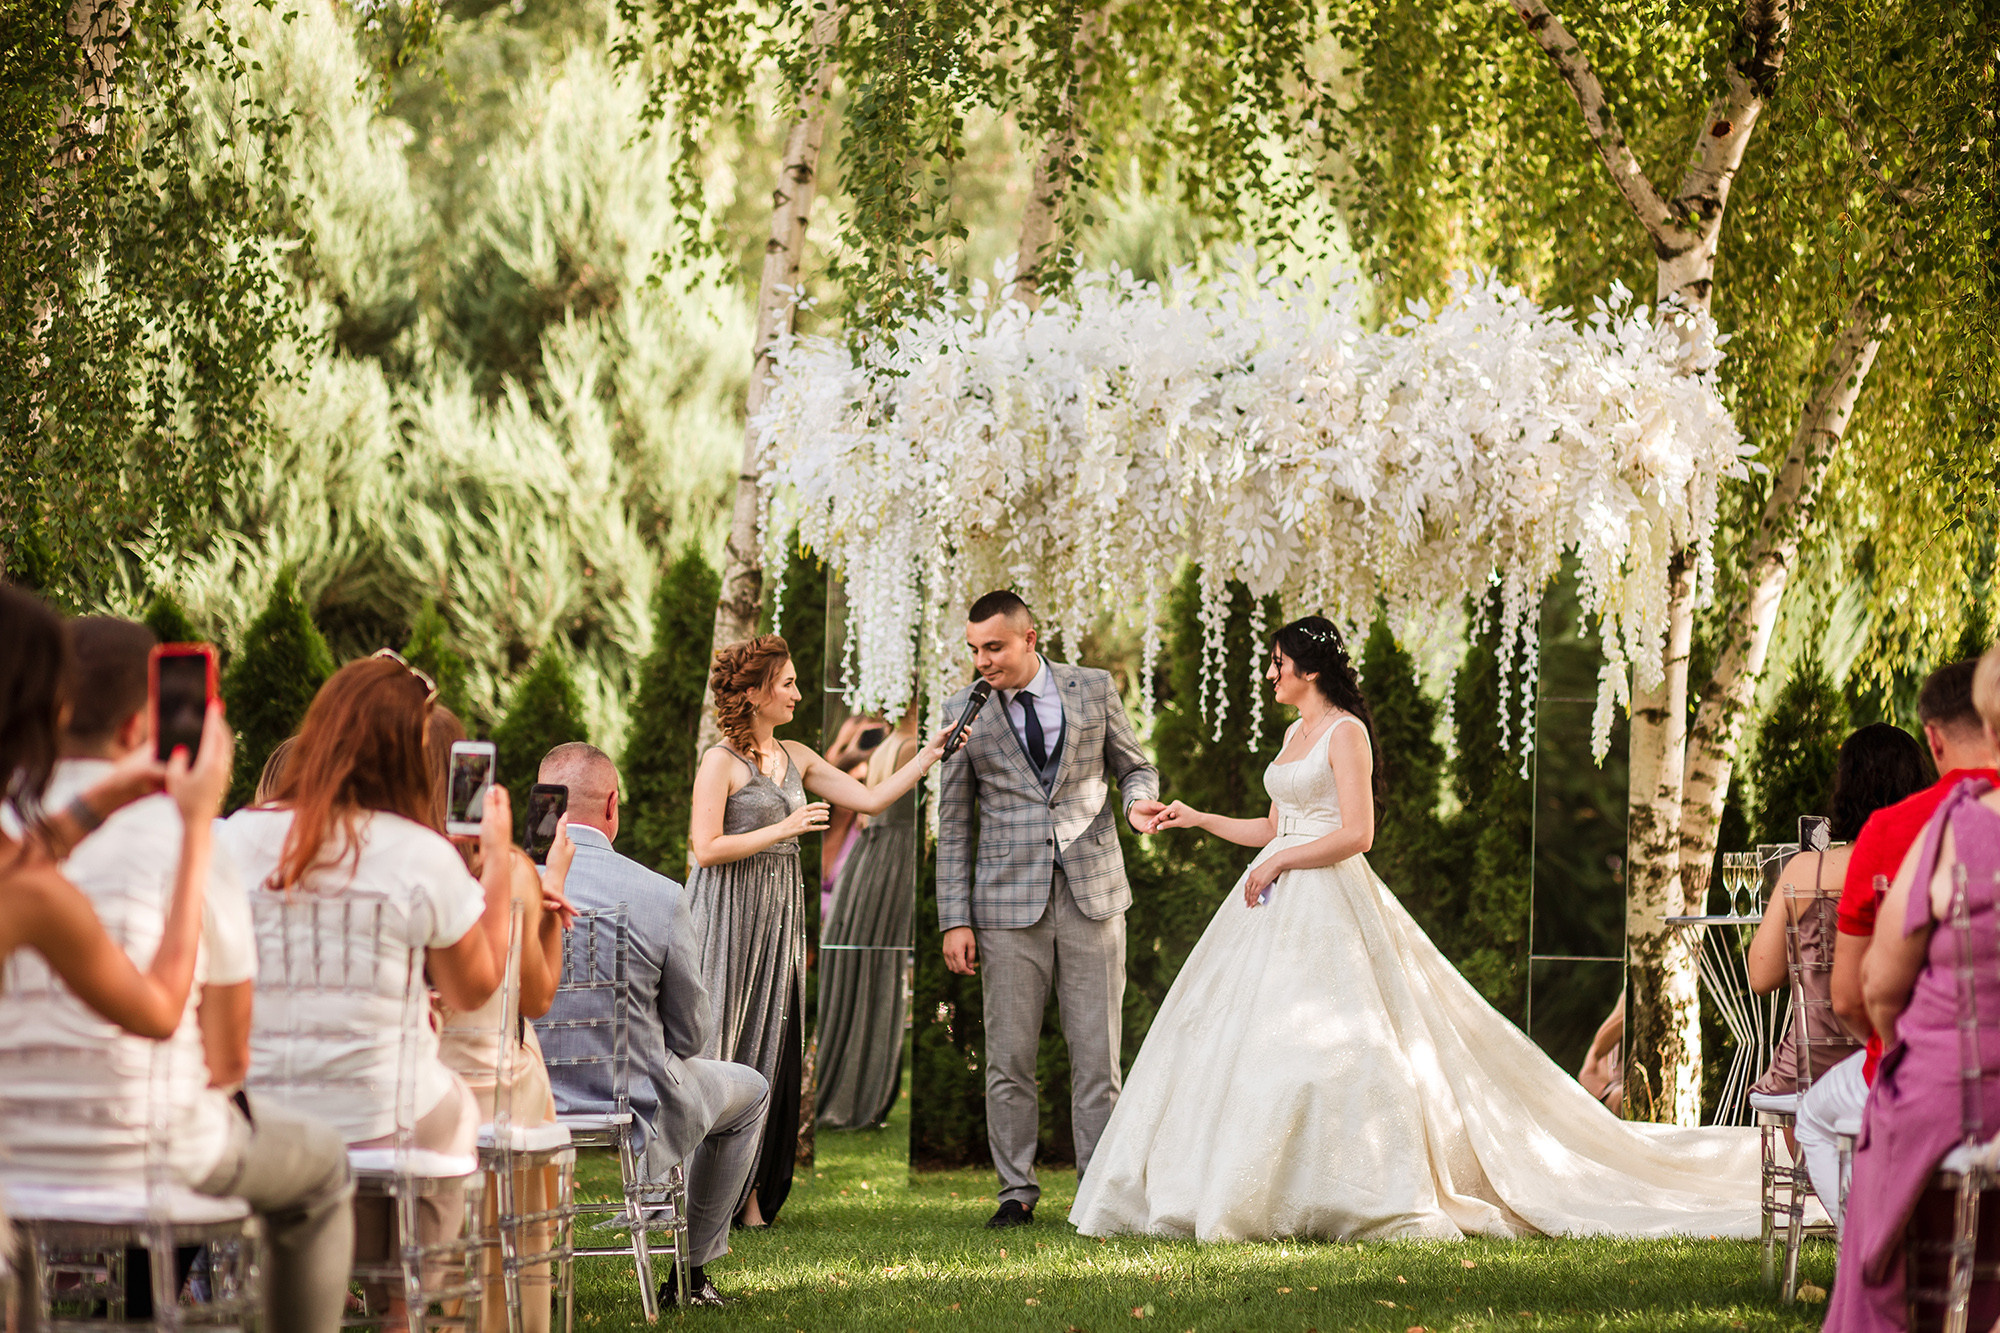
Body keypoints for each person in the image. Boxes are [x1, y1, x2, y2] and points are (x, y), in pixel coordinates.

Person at [1070, 615, 1762, 1242]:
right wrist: (1201, 818)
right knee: (1241, 1041)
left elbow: (1357, 832)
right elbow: (1274, 825)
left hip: (1327, 901)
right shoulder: (1293, 734)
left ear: (1309, 669)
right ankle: (1244, 1184)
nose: (1272, 674)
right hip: (1273, 899)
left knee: (1345, 1047)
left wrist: (1279, 861)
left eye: (1280, 662)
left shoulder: (1347, 732)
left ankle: (1353, 1186)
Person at [0, 617, 355, 1333]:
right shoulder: (182, 837)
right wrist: (192, 820)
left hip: (10, 1159)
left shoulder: (19, 838)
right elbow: (225, 1059)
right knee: (320, 1171)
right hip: (147, 1157)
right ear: (143, 723)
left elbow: (31, 859)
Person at [222, 654, 517, 1317]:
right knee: (452, 1115)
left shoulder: (236, 837)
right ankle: (403, 1302)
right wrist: (496, 859)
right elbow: (473, 987)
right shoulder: (421, 854)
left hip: (265, 1114)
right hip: (390, 1120)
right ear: (406, 752)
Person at [0, 585, 232, 1310]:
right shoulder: (39, 897)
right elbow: (162, 1009)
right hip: (128, 1159)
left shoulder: (25, 872)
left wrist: (99, 802)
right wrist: (195, 826)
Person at [686, 635, 945, 1227]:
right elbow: (704, 849)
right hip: (727, 915)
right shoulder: (719, 761)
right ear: (753, 695)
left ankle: (750, 1197)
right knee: (723, 1041)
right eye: (788, 684)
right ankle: (701, 1195)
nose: (799, 694)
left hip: (779, 918)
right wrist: (785, 829)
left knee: (771, 1045)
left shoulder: (798, 756)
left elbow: (873, 799)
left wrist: (928, 755)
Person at [936, 591, 1164, 1229]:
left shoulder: (1093, 688)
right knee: (1009, 1058)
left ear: (1029, 638)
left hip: (1094, 895)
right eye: (975, 650)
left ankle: (1099, 1190)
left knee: (1098, 1056)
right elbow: (953, 825)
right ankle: (1016, 1192)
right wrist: (954, 918)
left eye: (995, 647)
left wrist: (1138, 802)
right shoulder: (961, 712)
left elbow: (1134, 766)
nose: (983, 661)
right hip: (1006, 910)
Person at [533, 742, 771, 1309]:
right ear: (612, 806)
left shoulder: (499, 887)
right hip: (635, 1100)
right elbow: (692, 1037)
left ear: (540, 805)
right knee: (753, 1090)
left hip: (524, 1099)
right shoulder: (661, 895)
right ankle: (691, 1273)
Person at [1826, 644, 2000, 1332]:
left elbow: (1865, 990)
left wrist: (1902, 1045)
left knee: (1890, 1130)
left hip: (1959, 1093)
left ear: (1936, 736)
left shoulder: (1944, 828)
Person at [1741, 722, 1929, 1222]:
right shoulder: (1925, 864)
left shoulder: (1808, 870)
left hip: (1814, 1059)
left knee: (1800, 1105)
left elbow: (1760, 977)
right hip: (1898, 1051)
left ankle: (1856, 1222)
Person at [427, 706, 574, 1333]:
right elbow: (536, 997)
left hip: (416, 1084)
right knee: (525, 1062)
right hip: (498, 1093)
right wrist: (550, 890)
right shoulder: (508, 865)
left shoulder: (387, 858)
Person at [816, 705, 923, 1130]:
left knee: (865, 966)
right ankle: (860, 1091)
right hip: (892, 858)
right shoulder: (910, 745)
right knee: (880, 970)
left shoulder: (886, 743)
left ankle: (850, 1082)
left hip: (869, 856)